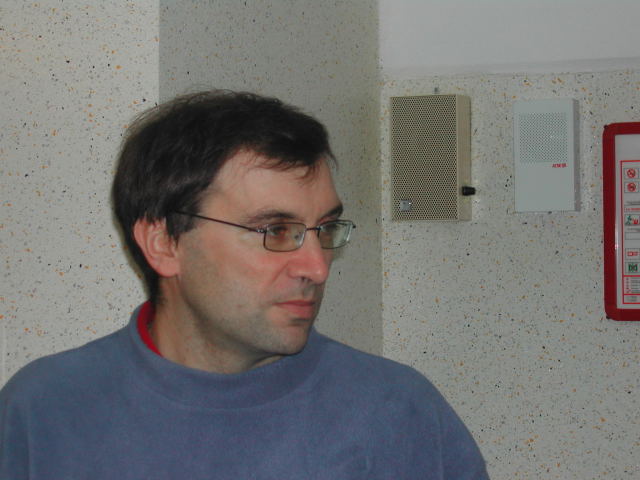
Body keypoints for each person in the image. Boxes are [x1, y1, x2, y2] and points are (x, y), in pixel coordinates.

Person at [0, 91, 489, 479]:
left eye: (324, 229)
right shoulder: (44, 412)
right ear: (163, 242)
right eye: (275, 230)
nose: (317, 268)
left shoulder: (396, 411)